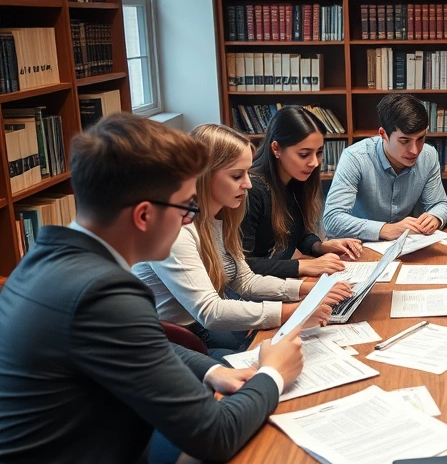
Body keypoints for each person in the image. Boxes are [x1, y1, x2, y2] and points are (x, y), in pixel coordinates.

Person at [0, 113, 308, 464]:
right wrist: (273, 373)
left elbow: (136, 341)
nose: (189, 221)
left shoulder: (51, 256)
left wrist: (210, 370)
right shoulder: (103, 293)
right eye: (185, 208)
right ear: (144, 215)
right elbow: (214, 434)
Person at [134, 123, 352, 354]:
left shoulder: (223, 216)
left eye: (247, 173)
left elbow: (245, 281)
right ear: (204, 175)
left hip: (201, 330)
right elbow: (210, 311)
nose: (248, 183)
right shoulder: (176, 229)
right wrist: (298, 310)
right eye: (237, 175)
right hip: (175, 341)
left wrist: (313, 289)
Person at [242, 106, 363, 279]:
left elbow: (297, 232)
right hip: (253, 297)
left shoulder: (293, 180)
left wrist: (320, 247)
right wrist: (303, 265)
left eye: (319, 152)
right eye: (304, 154)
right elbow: (243, 265)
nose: (314, 163)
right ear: (276, 148)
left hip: (277, 286)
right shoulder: (252, 190)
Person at [323, 93, 447, 241]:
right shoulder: (355, 157)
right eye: (404, 141)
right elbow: (332, 219)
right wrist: (385, 229)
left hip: (406, 245)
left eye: (420, 138)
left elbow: (440, 204)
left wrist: (435, 217)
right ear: (383, 134)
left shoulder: (429, 155)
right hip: (359, 245)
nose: (415, 150)